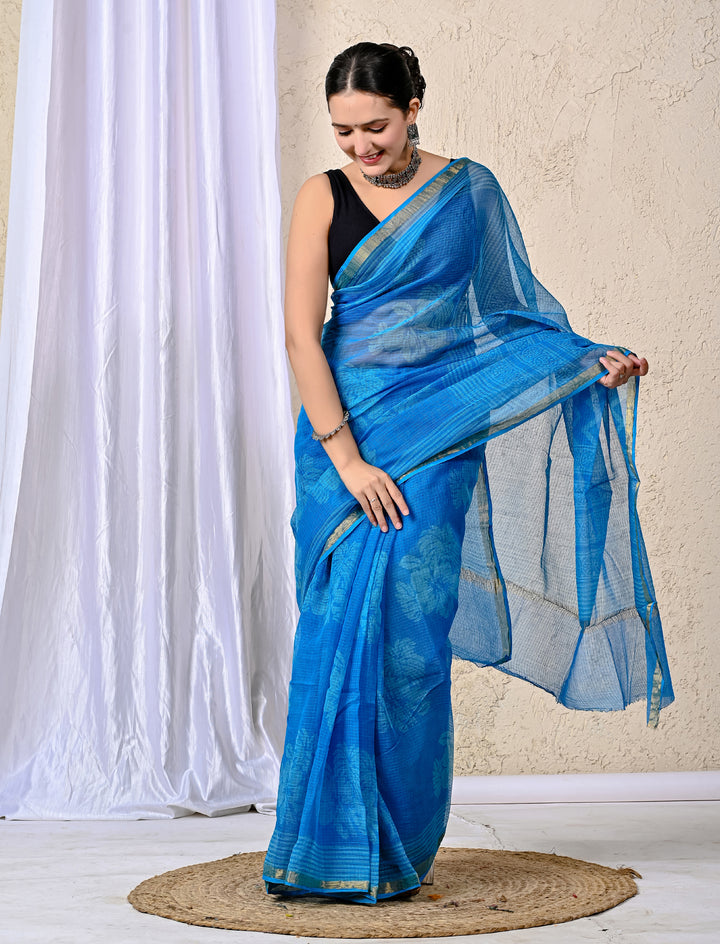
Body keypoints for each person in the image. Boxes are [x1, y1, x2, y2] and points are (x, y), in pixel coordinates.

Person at [262, 42, 673, 904]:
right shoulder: (322, 196)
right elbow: (302, 336)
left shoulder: (468, 193)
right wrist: (349, 460)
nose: (361, 147)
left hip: (442, 438)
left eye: (376, 127)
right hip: (344, 442)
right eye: (344, 132)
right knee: (335, 633)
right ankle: (321, 847)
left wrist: (587, 362)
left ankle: (399, 851)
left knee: (412, 643)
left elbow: (515, 316)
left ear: (413, 107)